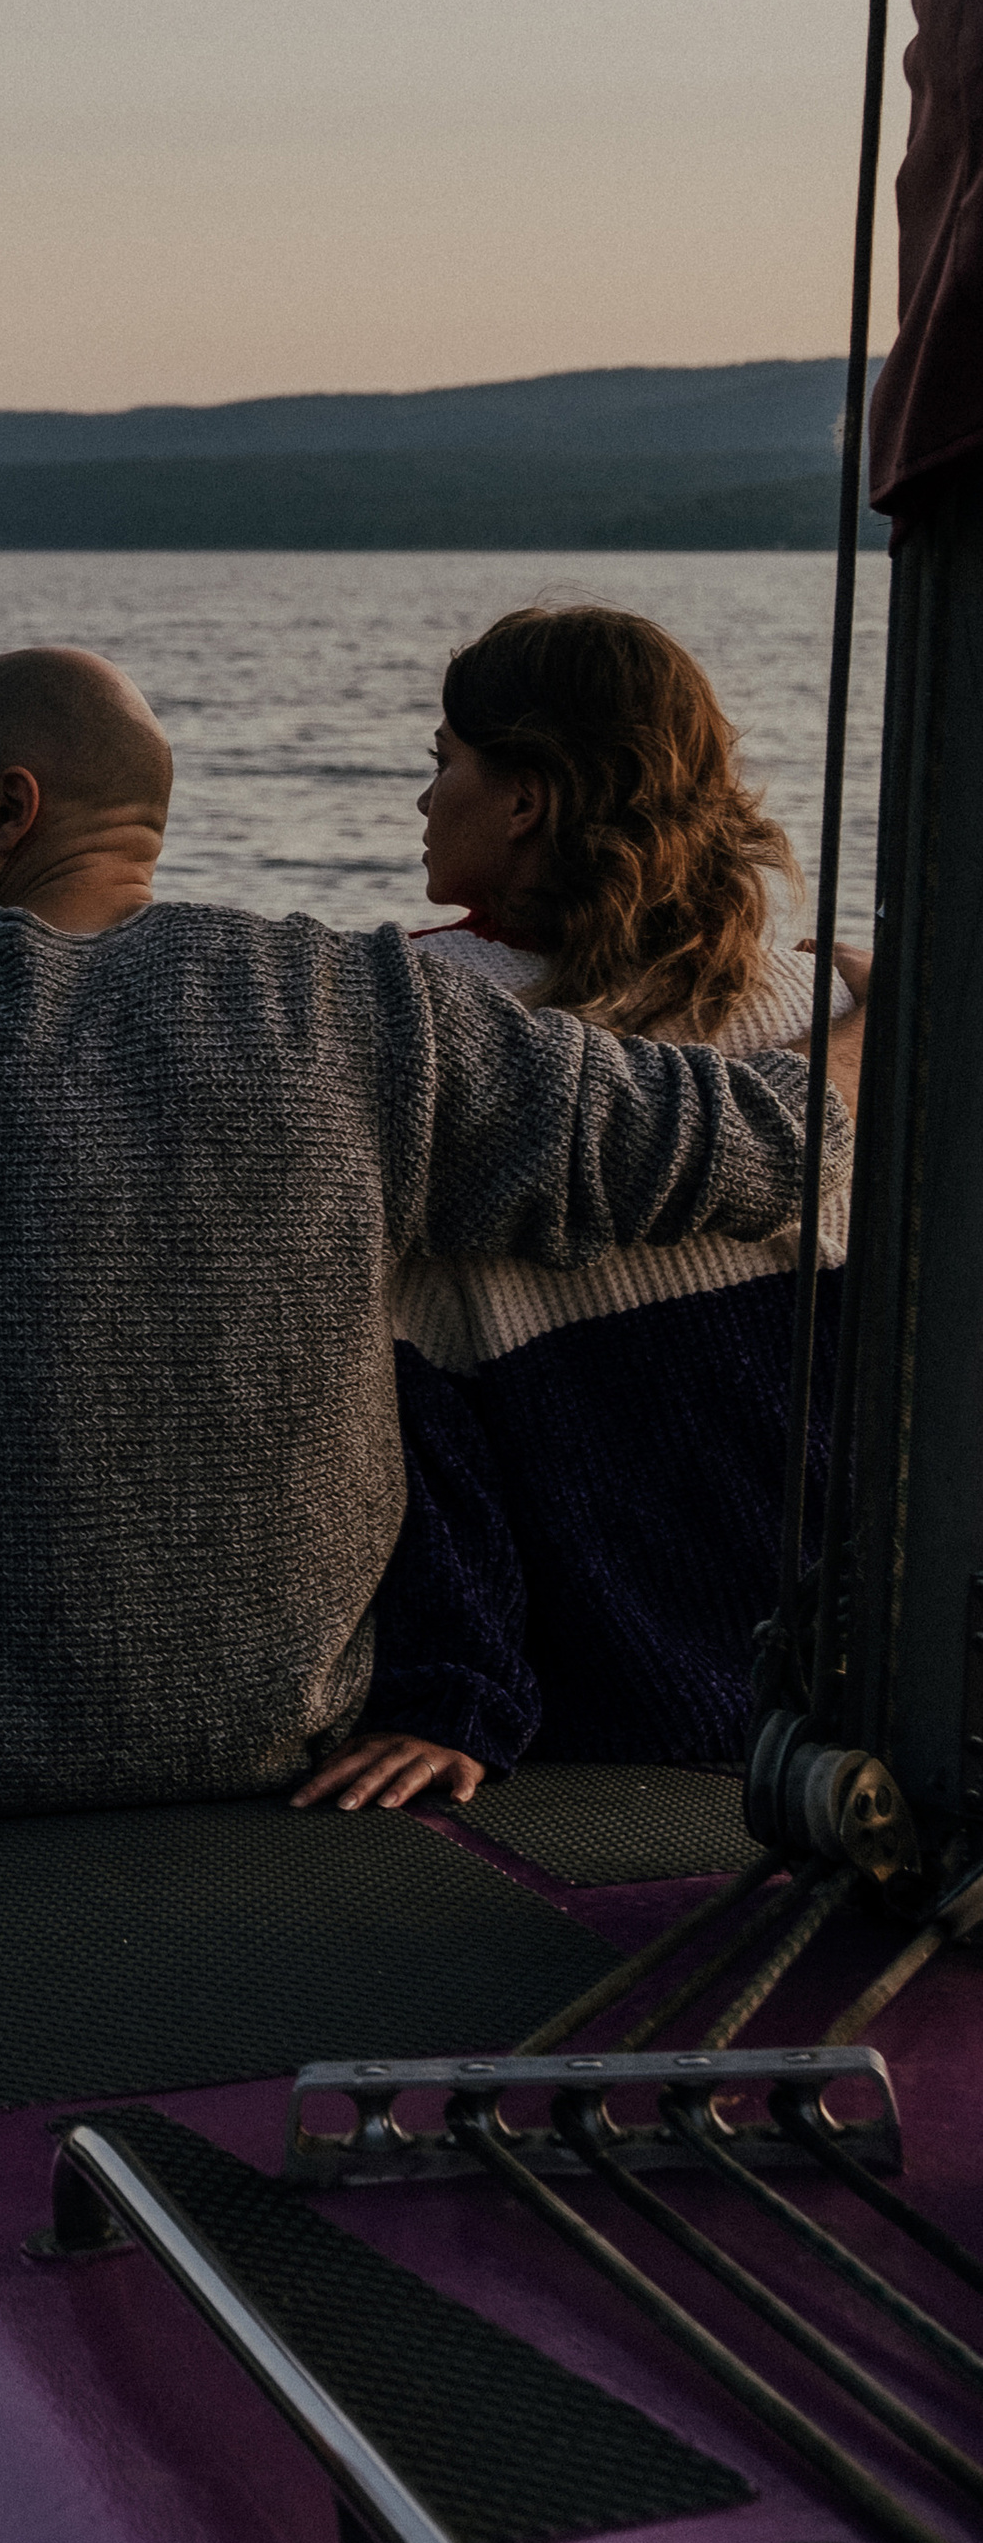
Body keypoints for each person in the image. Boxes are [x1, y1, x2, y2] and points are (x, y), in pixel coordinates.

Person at [0, 641, 857, 1841]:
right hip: (283, 1739)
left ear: (7, 811)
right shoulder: (362, 1005)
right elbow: (762, 1143)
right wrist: (879, 1023)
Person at [293, 603, 863, 1818]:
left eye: (443, 761)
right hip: (843, 1680)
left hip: (611, 1686)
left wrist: (450, 1693)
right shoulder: (819, 1003)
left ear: (525, 800)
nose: (423, 798)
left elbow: (408, 1410)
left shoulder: (421, 1018)